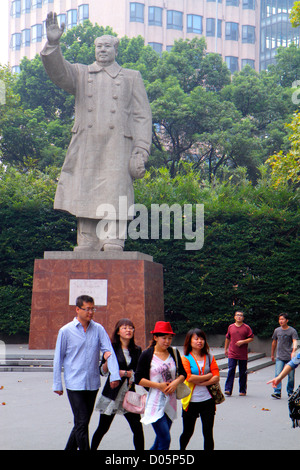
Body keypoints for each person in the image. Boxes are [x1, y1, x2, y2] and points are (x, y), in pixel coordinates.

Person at [41, 12, 152, 252]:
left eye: (107, 46)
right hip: (87, 144)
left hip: (118, 145)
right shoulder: (81, 73)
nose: (102, 50)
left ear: (115, 50)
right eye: (98, 46)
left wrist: (141, 149)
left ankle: (113, 236)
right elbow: (59, 73)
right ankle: (88, 237)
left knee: (115, 188)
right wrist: (53, 44)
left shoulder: (132, 77)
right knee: (86, 187)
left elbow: (142, 116)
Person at [52, 295, 120, 450]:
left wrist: (114, 375)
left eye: (92, 309)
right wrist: (57, 383)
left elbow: (109, 351)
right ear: (77, 309)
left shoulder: (98, 329)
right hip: (74, 384)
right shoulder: (66, 331)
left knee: (81, 423)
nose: (91, 312)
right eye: (87, 309)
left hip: (92, 383)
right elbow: (58, 359)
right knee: (82, 423)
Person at [91, 318, 144, 450]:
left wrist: (126, 373)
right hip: (112, 394)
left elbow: (139, 372)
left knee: (137, 429)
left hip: (129, 395)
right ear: (118, 332)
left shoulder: (137, 350)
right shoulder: (111, 348)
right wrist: (107, 362)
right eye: (124, 328)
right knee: (102, 428)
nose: (128, 330)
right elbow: (102, 372)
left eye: (131, 328)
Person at [135, 321, 187, 450]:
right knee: (165, 439)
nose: (167, 341)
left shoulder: (173, 352)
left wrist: (175, 382)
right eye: (164, 338)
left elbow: (183, 374)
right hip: (155, 402)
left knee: (159, 440)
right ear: (155, 337)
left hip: (171, 402)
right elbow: (138, 379)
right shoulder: (147, 355)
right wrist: (158, 385)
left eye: (169, 338)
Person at [179, 328, 220, 451]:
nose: (199, 341)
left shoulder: (209, 357)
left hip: (208, 401)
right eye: (196, 339)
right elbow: (189, 377)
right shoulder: (185, 358)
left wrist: (202, 380)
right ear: (189, 341)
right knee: (187, 432)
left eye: (202, 338)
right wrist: (208, 376)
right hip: (190, 401)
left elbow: (216, 376)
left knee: (208, 433)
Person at [224, 311, 254, 396]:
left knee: (243, 372)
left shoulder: (246, 327)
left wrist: (243, 341)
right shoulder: (231, 327)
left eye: (241, 315)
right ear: (234, 317)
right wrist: (225, 349)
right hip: (232, 352)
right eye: (237, 315)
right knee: (231, 370)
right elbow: (227, 338)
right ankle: (228, 389)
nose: (239, 317)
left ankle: (242, 390)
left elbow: (251, 338)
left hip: (242, 354)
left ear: (243, 318)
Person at [270, 313, 298, 399]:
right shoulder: (277, 330)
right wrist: (272, 354)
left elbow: (295, 342)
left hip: (290, 357)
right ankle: (277, 392)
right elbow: (274, 342)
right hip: (280, 356)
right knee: (278, 374)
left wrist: (293, 351)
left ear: (287, 320)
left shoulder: (292, 331)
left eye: (282, 319)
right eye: (279, 319)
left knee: (291, 377)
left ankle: (290, 392)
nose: (281, 321)